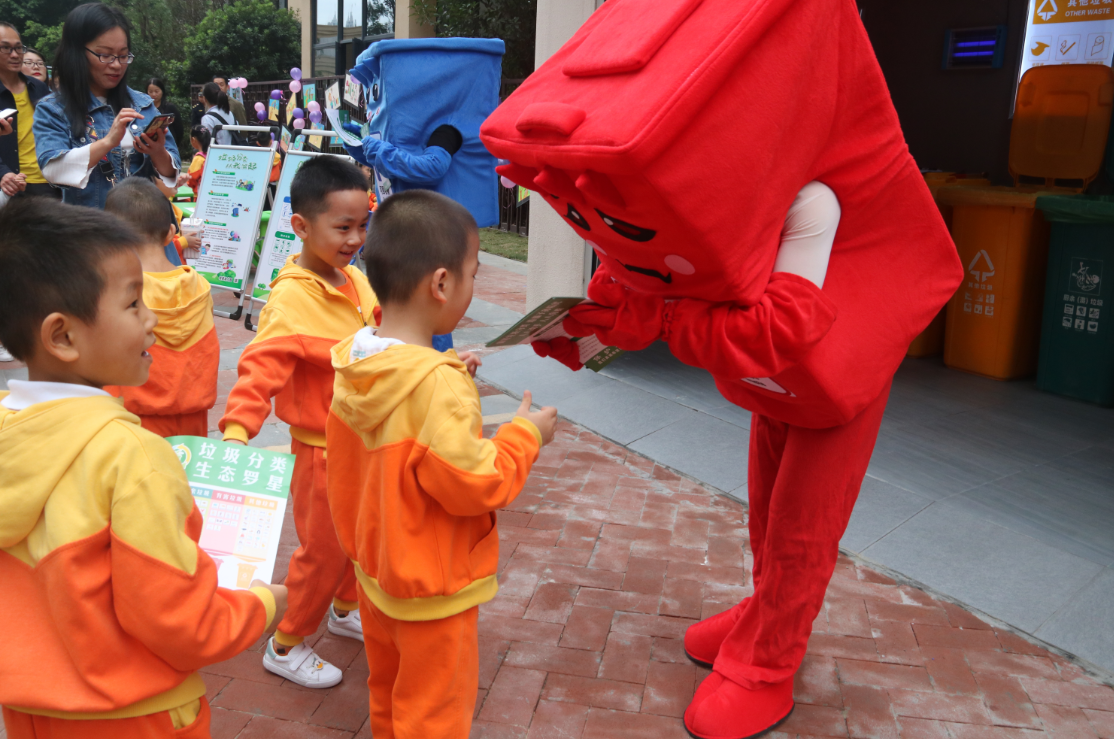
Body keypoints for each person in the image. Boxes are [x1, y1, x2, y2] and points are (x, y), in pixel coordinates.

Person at [0, 197, 288, 738]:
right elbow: (178, 621)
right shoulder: (132, 457)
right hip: (137, 716)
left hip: (30, 715)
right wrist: (261, 606)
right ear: (62, 336)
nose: (152, 319)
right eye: (134, 305)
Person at [327, 189, 557, 738]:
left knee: (387, 697)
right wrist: (527, 434)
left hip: (377, 577)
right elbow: (477, 482)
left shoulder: (357, 360)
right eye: (473, 273)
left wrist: (445, 371)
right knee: (433, 718)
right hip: (432, 592)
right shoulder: (434, 387)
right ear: (441, 283)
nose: (474, 286)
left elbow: (400, 424)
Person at [218, 156, 379, 688]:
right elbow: (260, 367)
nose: (356, 237)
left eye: (363, 224)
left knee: (361, 535)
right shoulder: (291, 297)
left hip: (363, 442)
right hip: (322, 452)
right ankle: (285, 642)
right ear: (302, 226)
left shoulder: (355, 279)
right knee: (324, 551)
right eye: (343, 227)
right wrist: (238, 430)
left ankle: (344, 608)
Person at [100, 178, 219, 437]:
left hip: (132, 420)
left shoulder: (120, 290)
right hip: (193, 419)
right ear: (170, 233)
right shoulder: (199, 285)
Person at [32, 3, 180, 209]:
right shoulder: (53, 109)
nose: (117, 64)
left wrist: (157, 151)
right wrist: (108, 141)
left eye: (123, 55)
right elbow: (54, 171)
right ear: (76, 53)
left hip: (147, 232)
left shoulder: (143, 104)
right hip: (94, 232)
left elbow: (171, 176)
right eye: (105, 55)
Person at [0, 23, 54, 200]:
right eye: (6, 48)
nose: (15, 55)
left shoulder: (38, 87)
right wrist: (3, 172)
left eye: (18, 48)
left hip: (46, 181)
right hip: (9, 185)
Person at [145, 77, 183, 149]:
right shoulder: (145, 109)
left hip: (168, 146)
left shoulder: (170, 108)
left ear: (162, 91)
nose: (153, 94)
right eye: (150, 91)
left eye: (156, 91)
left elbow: (179, 130)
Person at [198, 81, 235, 145]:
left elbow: (207, 142)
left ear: (204, 98)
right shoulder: (229, 113)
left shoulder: (207, 118)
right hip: (232, 153)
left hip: (218, 153)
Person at [186, 124, 209, 198]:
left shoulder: (198, 158)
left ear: (193, 140)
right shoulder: (212, 155)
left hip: (198, 197)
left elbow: (191, 180)